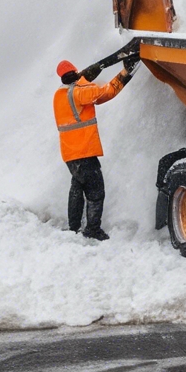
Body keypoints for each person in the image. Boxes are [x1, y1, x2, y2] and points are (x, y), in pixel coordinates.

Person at [53, 57, 137, 241]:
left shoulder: (59, 95)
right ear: (76, 73)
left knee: (77, 188)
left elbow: (82, 87)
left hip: (70, 154)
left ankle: (73, 227)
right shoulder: (78, 93)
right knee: (95, 191)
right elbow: (103, 93)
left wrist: (86, 75)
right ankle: (92, 229)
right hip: (84, 152)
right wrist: (124, 73)